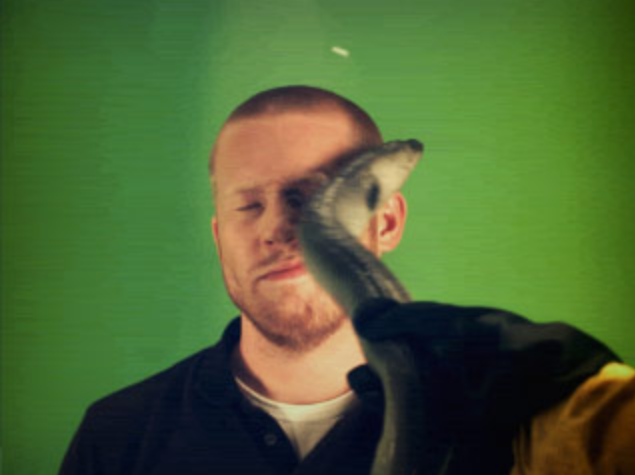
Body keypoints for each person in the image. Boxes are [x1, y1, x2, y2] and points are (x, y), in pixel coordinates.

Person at [59, 86, 634, 475]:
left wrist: (598, 411)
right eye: (248, 205)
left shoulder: (501, 430)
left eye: (308, 196)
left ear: (386, 221)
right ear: (218, 237)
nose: (276, 228)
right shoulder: (119, 436)